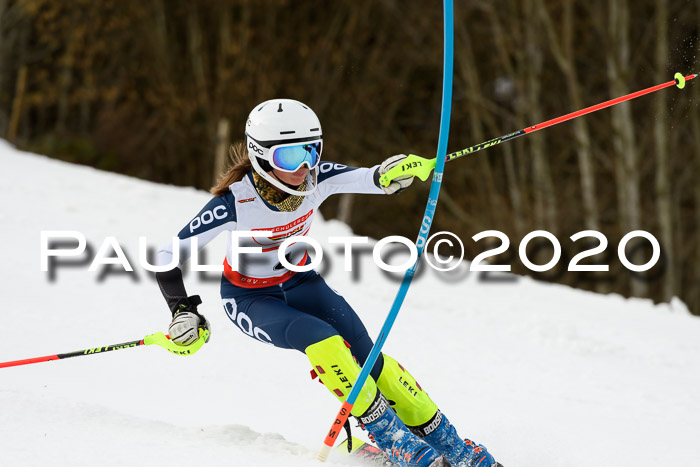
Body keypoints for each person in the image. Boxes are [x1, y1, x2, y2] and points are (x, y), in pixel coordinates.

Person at [155, 99, 499, 467]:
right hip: (251, 299)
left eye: (311, 151)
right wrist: (182, 310)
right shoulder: (234, 204)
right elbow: (165, 257)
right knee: (325, 342)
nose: (304, 167)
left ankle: (454, 447)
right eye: (290, 157)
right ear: (260, 156)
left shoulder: (317, 178)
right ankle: (398, 443)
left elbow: (374, 177)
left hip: (302, 281)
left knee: (371, 362)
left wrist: (397, 171)